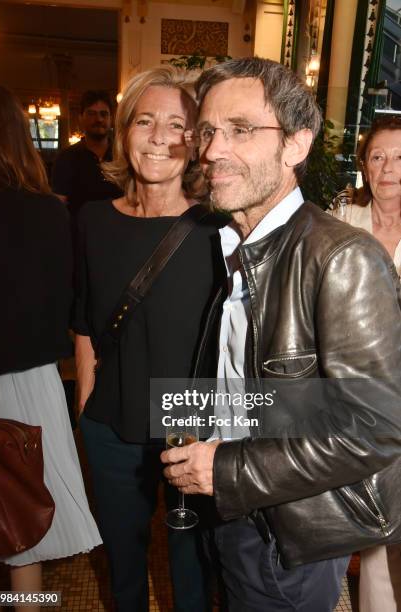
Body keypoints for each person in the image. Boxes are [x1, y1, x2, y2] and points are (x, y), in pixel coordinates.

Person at [161, 57, 401, 612]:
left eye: (241, 130)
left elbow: (376, 430)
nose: (213, 150)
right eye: (208, 131)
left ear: (296, 145)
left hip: (287, 532)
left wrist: (223, 468)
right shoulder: (230, 244)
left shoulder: (341, 257)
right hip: (237, 506)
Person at [73, 66, 225, 612]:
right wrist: (86, 408)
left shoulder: (217, 230)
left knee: (192, 565)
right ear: (123, 130)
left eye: (176, 124)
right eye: (144, 121)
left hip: (188, 426)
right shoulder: (92, 220)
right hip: (110, 426)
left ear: (196, 141)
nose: (159, 136)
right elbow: (86, 326)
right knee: (124, 562)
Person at [0, 81, 102, 612]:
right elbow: (65, 303)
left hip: (17, 376)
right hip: (29, 382)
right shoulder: (48, 213)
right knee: (21, 526)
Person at [331, 116, 401, 612]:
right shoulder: (341, 217)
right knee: (365, 515)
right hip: (352, 390)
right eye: (377, 157)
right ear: (363, 166)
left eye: (400, 157)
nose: (389, 168)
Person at [51, 89, 123, 218]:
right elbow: (58, 206)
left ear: (111, 119)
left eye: (104, 114)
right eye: (91, 114)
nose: (99, 119)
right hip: (79, 235)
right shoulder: (66, 158)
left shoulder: (124, 156)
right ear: (81, 118)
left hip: (120, 233)